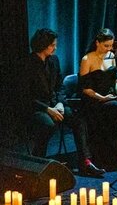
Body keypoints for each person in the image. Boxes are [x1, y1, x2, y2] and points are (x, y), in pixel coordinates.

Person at [23, 28, 103, 177]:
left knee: (78, 120)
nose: (55, 48)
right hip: (37, 108)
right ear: (42, 45)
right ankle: (38, 163)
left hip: (55, 104)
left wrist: (60, 103)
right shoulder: (27, 64)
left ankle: (86, 163)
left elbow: (60, 86)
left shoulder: (54, 60)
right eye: (52, 45)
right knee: (48, 125)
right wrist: (48, 109)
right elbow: (25, 96)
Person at [78, 28, 117, 170]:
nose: (109, 49)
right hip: (95, 100)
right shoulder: (87, 59)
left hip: (110, 96)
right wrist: (103, 98)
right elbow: (85, 89)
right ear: (97, 43)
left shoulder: (111, 56)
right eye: (106, 45)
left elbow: (115, 80)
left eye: (111, 45)